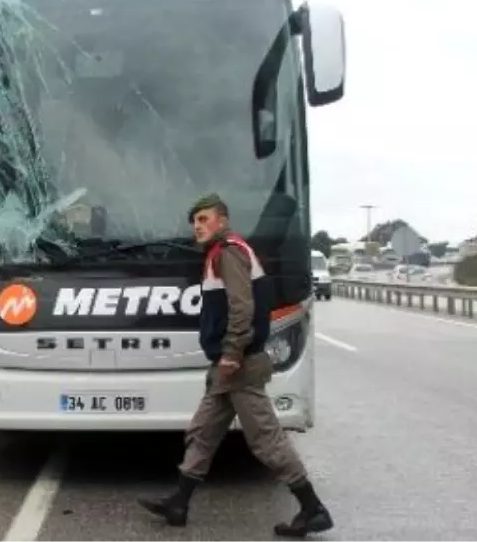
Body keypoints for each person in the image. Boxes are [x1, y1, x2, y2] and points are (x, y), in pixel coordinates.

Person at [137, 194, 333, 537]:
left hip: (238, 366)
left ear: (222, 221)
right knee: (202, 432)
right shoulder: (220, 252)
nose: (197, 226)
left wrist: (231, 352)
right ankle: (178, 503)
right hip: (227, 367)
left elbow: (241, 307)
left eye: (204, 219)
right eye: (194, 221)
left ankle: (313, 508)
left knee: (266, 439)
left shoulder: (229, 252)